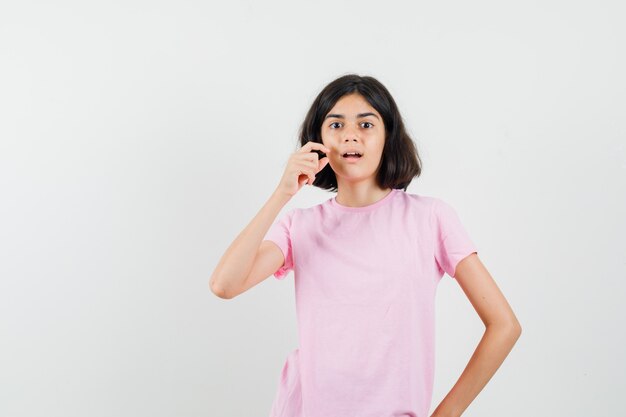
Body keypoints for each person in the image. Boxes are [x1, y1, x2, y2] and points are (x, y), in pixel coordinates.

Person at [209, 74, 522, 417]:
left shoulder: (430, 219)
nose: (350, 134)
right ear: (318, 141)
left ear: (388, 137)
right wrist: (282, 192)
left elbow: (504, 325)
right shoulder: (299, 225)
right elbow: (225, 285)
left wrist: (445, 414)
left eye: (366, 124)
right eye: (336, 124)